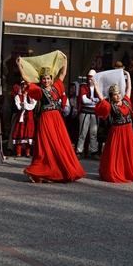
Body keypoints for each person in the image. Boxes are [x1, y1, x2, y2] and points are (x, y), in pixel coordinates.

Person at [18, 54, 85, 183]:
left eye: (48, 78)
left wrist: (65, 60)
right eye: (44, 79)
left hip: (56, 119)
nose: (46, 81)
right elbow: (27, 80)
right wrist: (20, 66)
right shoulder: (39, 90)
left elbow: (63, 74)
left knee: (59, 144)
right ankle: (42, 171)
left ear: (51, 78)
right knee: (46, 145)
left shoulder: (56, 87)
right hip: (46, 119)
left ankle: (59, 170)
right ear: (41, 80)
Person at [92, 72, 133, 183]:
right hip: (117, 131)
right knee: (117, 153)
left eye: (119, 93)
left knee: (128, 152)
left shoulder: (126, 101)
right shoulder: (110, 106)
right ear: (111, 97)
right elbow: (101, 97)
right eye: (115, 94)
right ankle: (117, 172)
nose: (118, 95)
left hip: (128, 130)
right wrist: (95, 83)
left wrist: (128, 75)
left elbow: (129, 87)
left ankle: (128, 172)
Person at [75, 70, 99, 159]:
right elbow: (84, 100)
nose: (90, 81)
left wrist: (92, 100)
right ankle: (79, 151)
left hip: (94, 113)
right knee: (83, 132)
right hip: (85, 112)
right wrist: (94, 100)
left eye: (91, 79)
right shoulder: (83, 87)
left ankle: (94, 151)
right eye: (89, 79)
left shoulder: (97, 87)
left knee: (94, 133)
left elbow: (100, 99)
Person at [11, 83, 36, 157]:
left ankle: (27, 152)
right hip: (21, 118)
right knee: (20, 133)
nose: (24, 89)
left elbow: (31, 107)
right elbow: (19, 107)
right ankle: (18, 152)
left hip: (29, 119)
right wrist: (26, 104)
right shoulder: (18, 97)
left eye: (26, 87)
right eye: (23, 87)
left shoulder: (32, 97)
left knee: (28, 134)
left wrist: (25, 104)